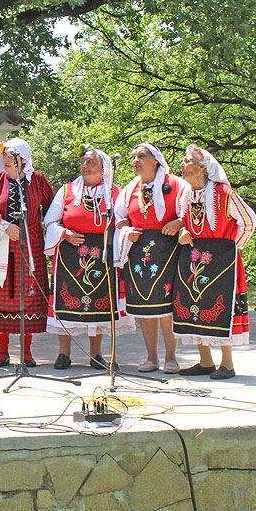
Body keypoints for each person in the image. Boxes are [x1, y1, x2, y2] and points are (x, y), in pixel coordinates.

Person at [44, 146, 134, 369]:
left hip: (103, 256)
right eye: (83, 161)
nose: (85, 165)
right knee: (67, 302)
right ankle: (63, 354)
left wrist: (122, 227)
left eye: (90, 162)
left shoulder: (114, 193)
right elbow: (50, 220)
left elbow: (125, 220)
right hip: (70, 256)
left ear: (104, 168)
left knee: (99, 304)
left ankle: (96, 354)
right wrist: (65, 234)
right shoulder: (67, 191)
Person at [174, 145, 256, 379]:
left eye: (187, 160)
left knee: (222, 307)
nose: (182, 164)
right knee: (196, 304)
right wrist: (183, 233)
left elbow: (249, 220)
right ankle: (205, 361)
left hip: (223, 262)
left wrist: (230, 248)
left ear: (203, 167)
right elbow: (184, 223)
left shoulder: (224, 194)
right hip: (195, 259)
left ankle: (227, 364)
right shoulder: (185, 195)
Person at [0, 138, 53, 367]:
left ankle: (26, 352)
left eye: (11, 158)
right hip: (2, 244)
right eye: (4, 157)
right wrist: (0, 222)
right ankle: (2, 352)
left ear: (23, 159)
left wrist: (53, 235)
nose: (6, 161)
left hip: (31, 245)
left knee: (28, 297)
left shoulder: (37, 180)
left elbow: (52, 211)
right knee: (2, 296)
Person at [114, 143, 185, 373]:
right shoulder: (130, 189)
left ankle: (171, 358)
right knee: (145, 304)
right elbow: (119, 218)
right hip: (138, 251)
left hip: (169, 249)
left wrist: (179, 222)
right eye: (134, 157)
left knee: (167, 306)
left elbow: (190, 210)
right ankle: (151, 357)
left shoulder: (176, 184)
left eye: (141, 156)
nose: (136, 160)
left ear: (156, 160)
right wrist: (126, 230)